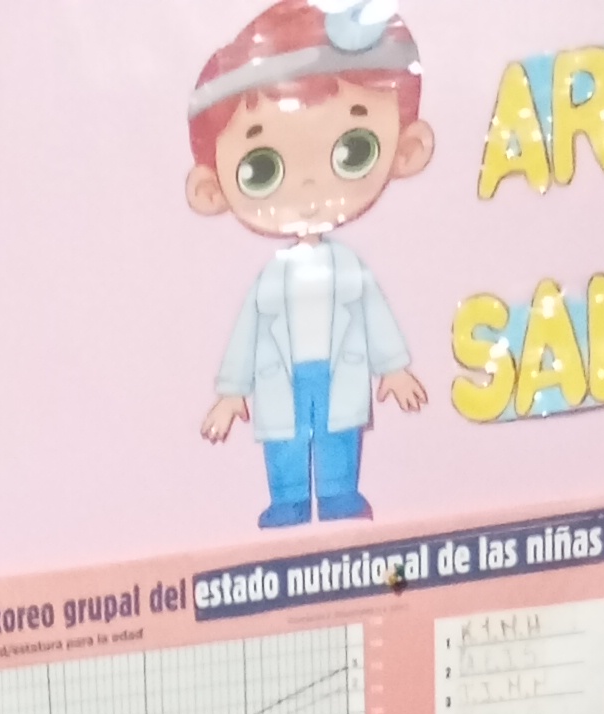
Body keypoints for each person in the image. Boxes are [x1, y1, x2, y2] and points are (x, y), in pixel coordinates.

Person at [186, 2, 436, 527]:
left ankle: (340, 492)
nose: (305, 186)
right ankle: (289, 499)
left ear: (406, 149)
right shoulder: (271, 279)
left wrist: (393, 366)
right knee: (285, 439)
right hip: (283, 374)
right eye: (262, 168)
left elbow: (372, 313)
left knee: (338, 433)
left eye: (353, 151)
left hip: (338, 368)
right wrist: (231, 392)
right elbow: (248, 330)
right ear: (213, 188)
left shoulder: (348, 269)